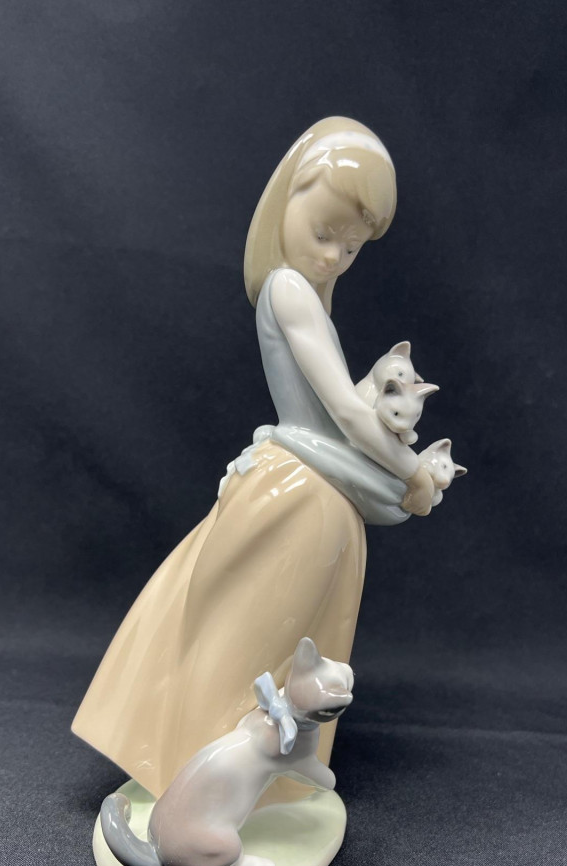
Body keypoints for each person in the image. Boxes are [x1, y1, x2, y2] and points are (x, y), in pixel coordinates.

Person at [72, 117, 435, 803]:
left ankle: (226, 789)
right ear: (288, 197)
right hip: (302, 494)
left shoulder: (304, 292)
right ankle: (202, 784)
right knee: (252, 644)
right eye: (324, 232)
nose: (334, 257)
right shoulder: (289, 290)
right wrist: (411, 472)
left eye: (351, 247)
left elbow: (341, 411)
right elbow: (345, 414)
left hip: (312, 488)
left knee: (252, 635)